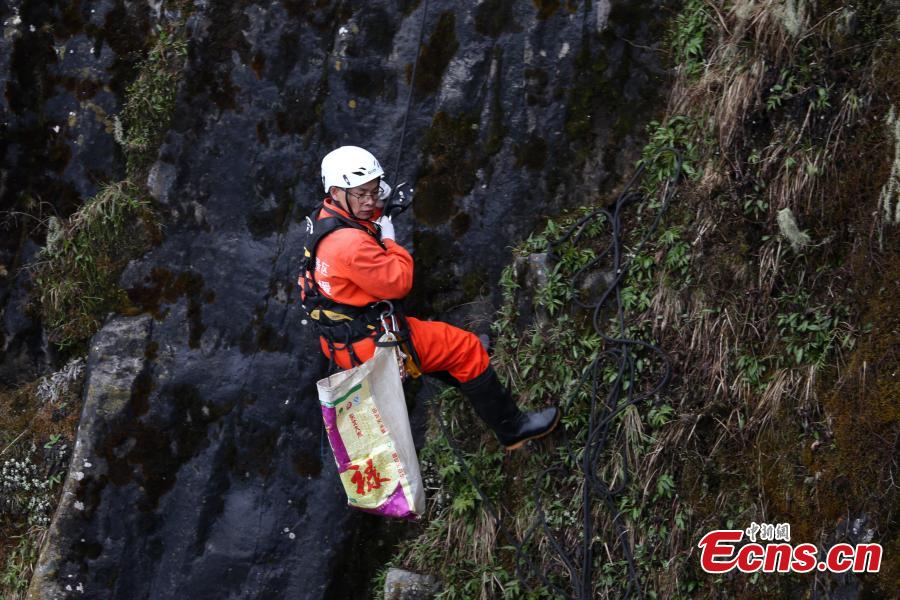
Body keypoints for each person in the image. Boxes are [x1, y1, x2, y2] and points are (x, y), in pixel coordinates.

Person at [298, 146, 559, 450]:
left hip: (347, 338)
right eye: (362, 194)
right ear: (337, 190)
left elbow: (358, 233)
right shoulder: (350, 245)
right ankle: (514, 430)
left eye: (374, 191)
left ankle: (463, 374)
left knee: (437, 345)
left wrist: (384, 209)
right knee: (467, 348)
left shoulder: (325, 217)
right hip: (374, 343)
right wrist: (390, 239)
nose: (370, 201)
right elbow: (398, 281)